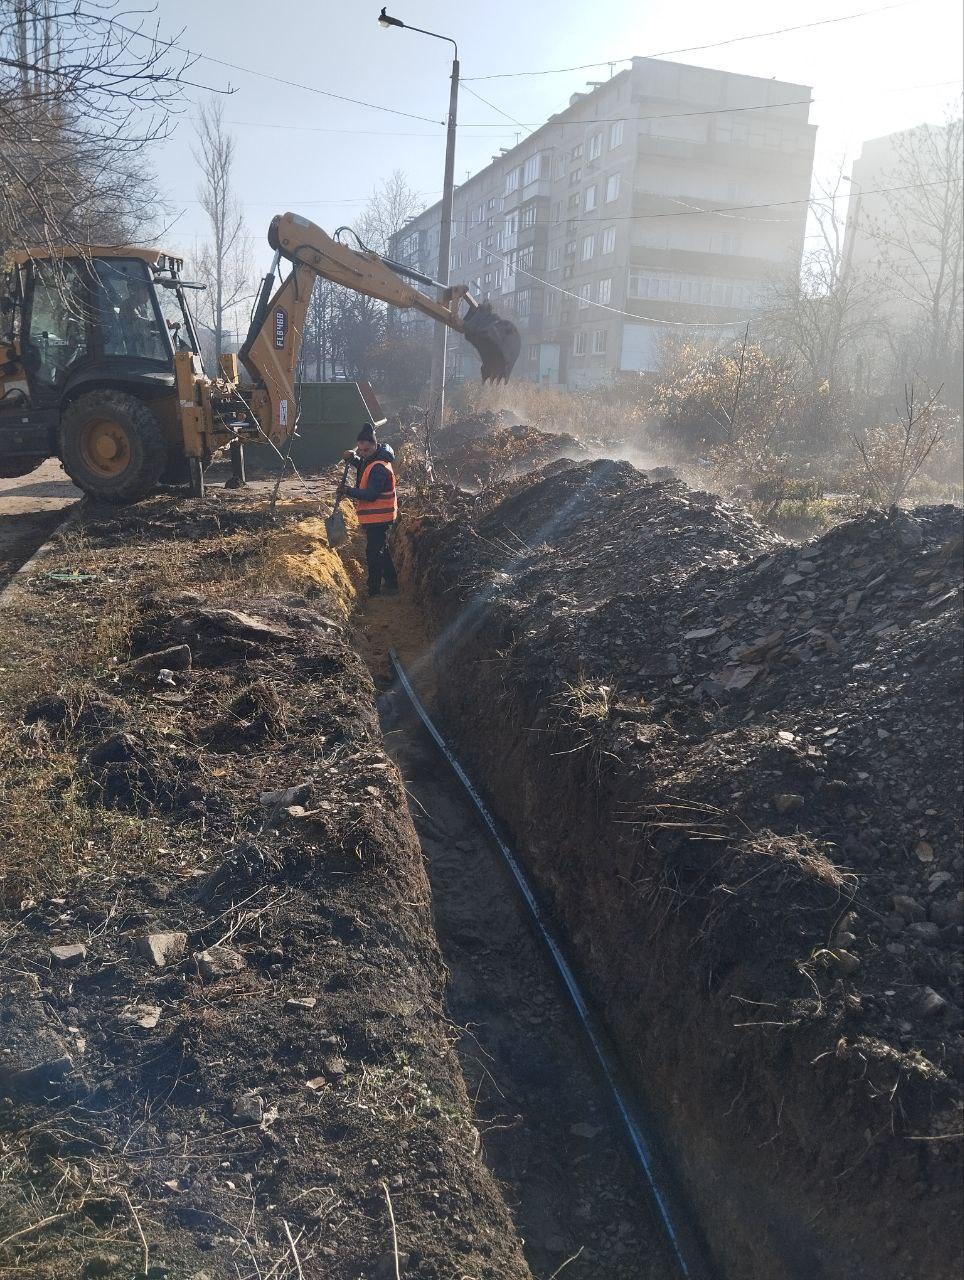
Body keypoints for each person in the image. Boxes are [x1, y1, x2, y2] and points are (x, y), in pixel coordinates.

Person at [342, 424, 399, 597]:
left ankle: (373, 590)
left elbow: (371, 494)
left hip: (379, 518)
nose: (363, 453)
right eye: (360, 450)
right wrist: (353, 459)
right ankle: (391, 582)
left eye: (366, 450)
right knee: (382, 549)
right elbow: (364, 467)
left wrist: (347, 491)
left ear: (375, 445)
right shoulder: (373, 459)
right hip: (379, 516)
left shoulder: (379, 467)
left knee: (373, 554)